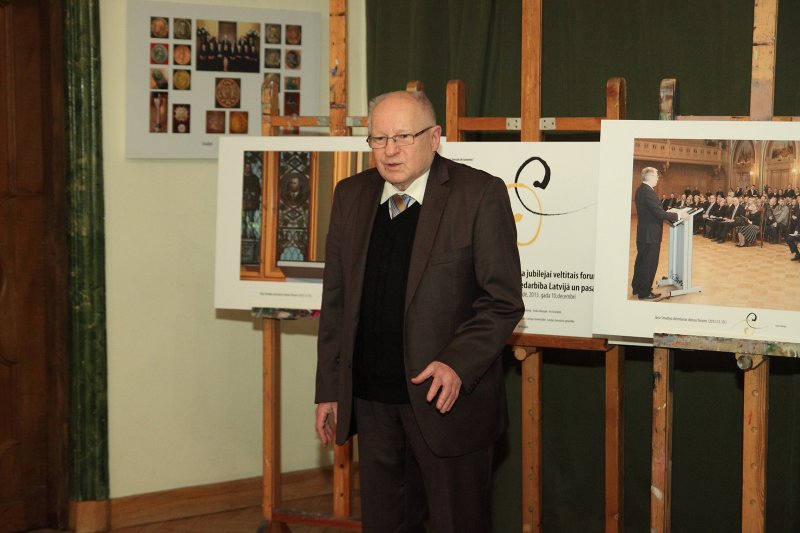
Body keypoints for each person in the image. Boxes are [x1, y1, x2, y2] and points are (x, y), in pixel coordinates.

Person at [314, 90, 524, 533]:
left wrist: (457, 362)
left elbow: (502, 301)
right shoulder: (350, 196)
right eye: (378, 139)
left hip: (447, 403)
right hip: (371, 402)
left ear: (435, 138)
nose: (390, 150)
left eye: (403, 137)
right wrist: (330, 388)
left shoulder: (478, 195)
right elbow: (336, 301)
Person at [631, 167, 688, 300]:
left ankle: (638, 287)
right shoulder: (648, 192)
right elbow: (659, 213)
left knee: (641, 261)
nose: (657, 178)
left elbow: (655, 211)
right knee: (649, 263)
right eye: (656, 176)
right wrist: (679, 215)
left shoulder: (641, 190)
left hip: (644, 233)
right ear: (650, 176)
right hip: (650, 234)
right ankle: (644, 292)